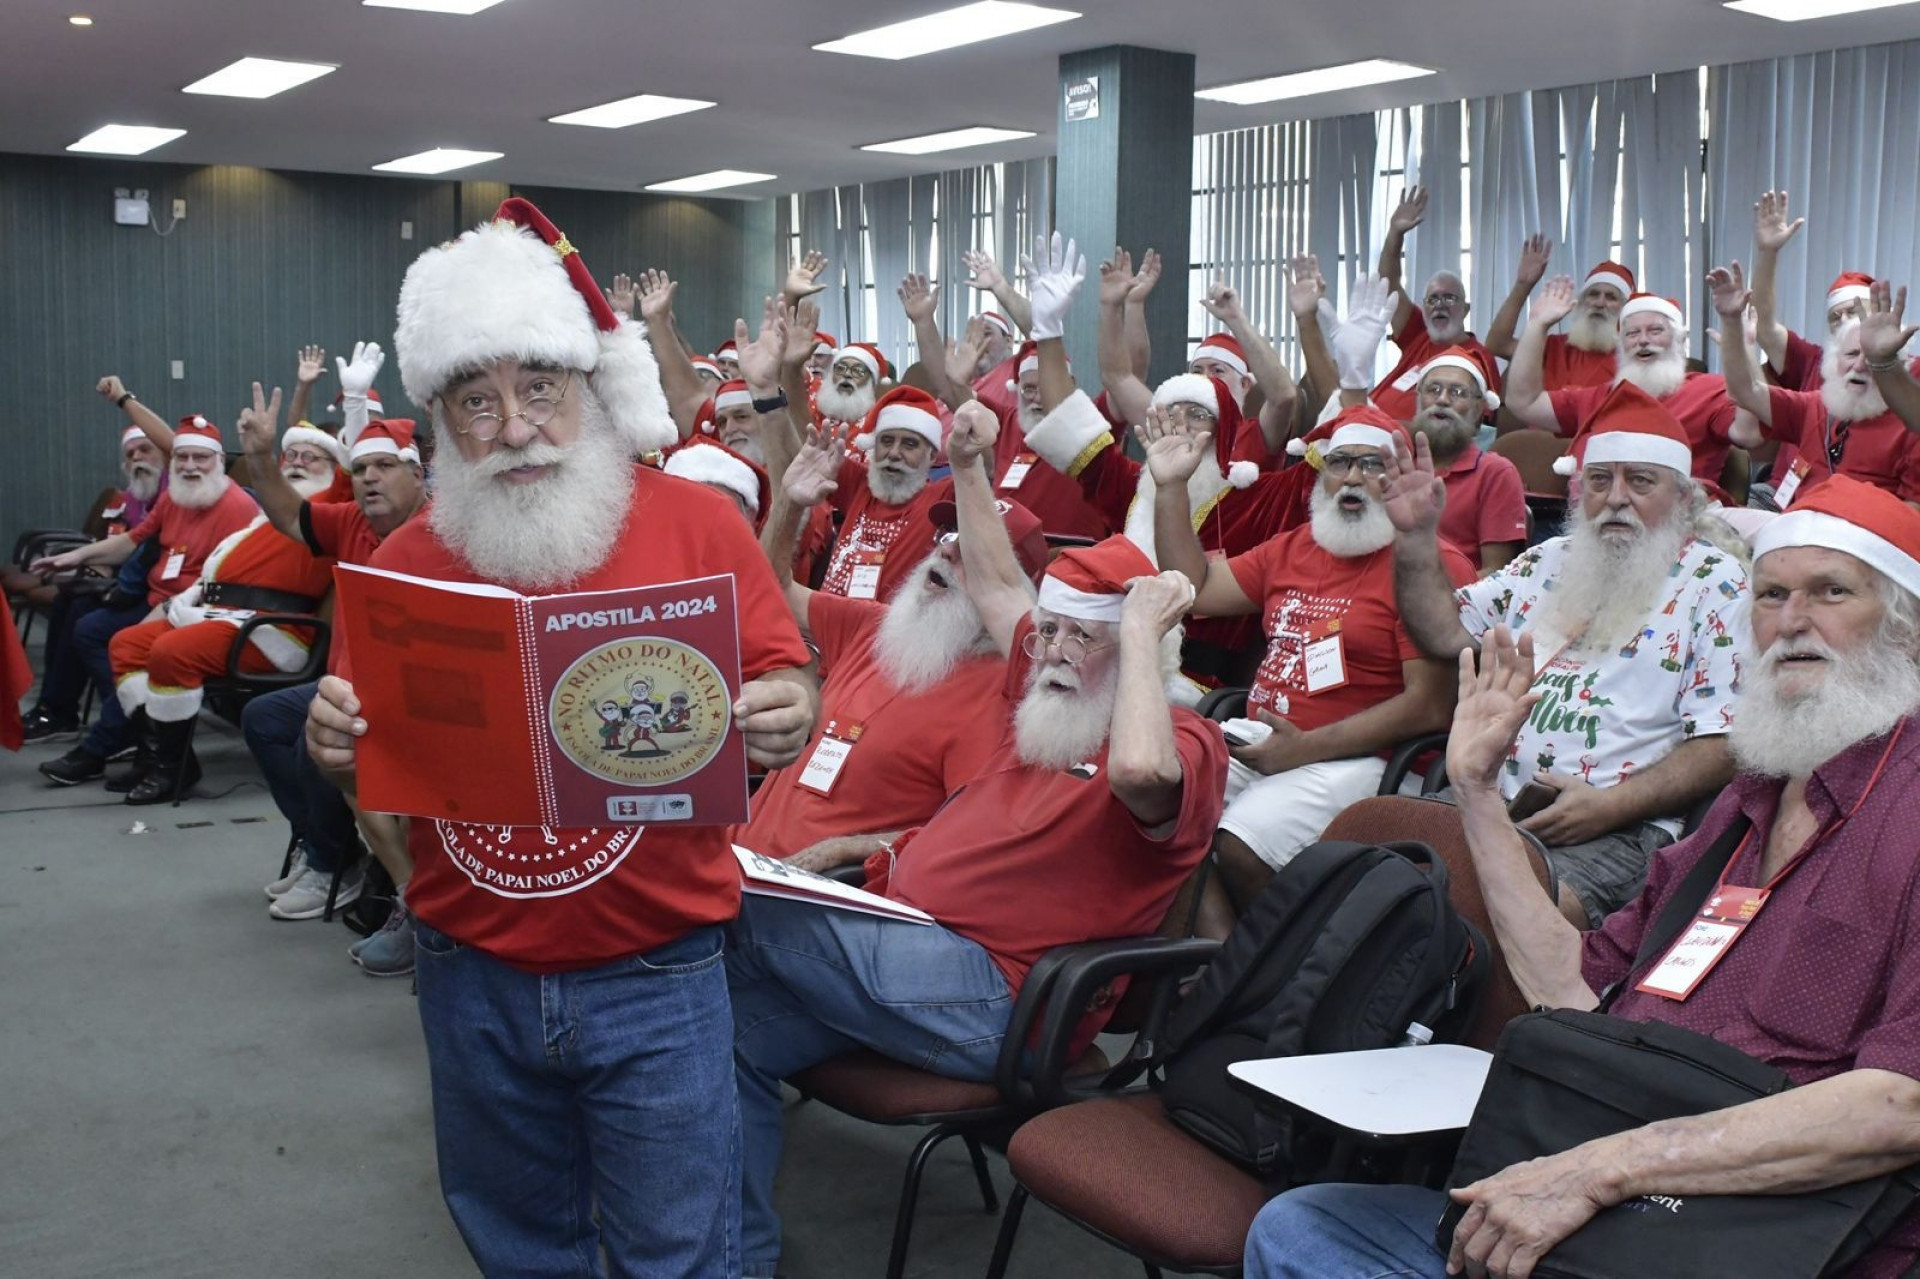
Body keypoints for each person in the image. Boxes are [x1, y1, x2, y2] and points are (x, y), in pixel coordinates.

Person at [303, 196, 816, 1277]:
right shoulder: (402, 564)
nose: (515, 426)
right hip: (467, 970)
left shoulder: (701, 525)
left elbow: (782, 677)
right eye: (475, 403)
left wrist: (784, 708)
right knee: (518, 1249)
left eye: (540, 388)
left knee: (680, 1253)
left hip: (662, 972)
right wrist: (332, 739)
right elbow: (363, 756)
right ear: (443, 422)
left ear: (592, 386)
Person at [1245, 474, 1920, 1279]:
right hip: (1613, 1194)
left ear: (1906, 628)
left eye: (1831, 592)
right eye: (1770, 594)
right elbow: (1573, 992)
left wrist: (1603, 1168)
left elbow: (1900, 1103)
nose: (1792, 621)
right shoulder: (1745, 806)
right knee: (1303, 1226)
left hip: (1767, 1232)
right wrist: (1478, 792)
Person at [728, 407, 1228, 1277]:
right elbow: (999, 587)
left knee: (724, 902)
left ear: (1139, 652)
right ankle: (725, 1254)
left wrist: (1145, 634)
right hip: (913, 953)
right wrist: (968, 462)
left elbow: (1140, 775)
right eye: (1053, 633)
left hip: (1001, 997)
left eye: (1086, 637)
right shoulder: (1043, 702)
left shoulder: (1182, 744)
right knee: (717, 1024)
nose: (1055, 651)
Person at [1387, 380, 1746, 928]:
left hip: (1615, 826)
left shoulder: (1716, 584)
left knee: (1484, 921)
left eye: (1640, 481)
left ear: (1683, 498)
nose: (1616, 497)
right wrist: (1414, 541)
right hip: (1489, 794)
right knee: (1364, 865)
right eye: (1599, 479)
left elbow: (1723, 743)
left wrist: (1611, 807)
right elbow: (1442, 634)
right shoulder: (1548, 561)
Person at [1150, 404, 1472, 916]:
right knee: (1153, 797)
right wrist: (1170, 488)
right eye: (1340, 462)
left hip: (1374, 759)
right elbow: (1200, 589)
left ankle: (1287, 979)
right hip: (1268, 742)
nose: (1351, 478)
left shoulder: (1428, 565)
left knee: (1240, 843)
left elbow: (1430, 707)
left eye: (1373, 466)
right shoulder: (1296, 546)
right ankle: (1213, 970)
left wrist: (1302, 751)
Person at [732, 417, 1050, 870]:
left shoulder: (1001, 695)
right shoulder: (879, 626)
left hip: (815, 900)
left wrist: (847, 850)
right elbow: (768, 589)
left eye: (968, 556)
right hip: (738, 862)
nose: (944, 552)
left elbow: (970, 827)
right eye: (946, 538)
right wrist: (791, 503)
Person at [238, 399, 428, 944]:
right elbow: (286, 515)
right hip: (345, 688)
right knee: (266, 717)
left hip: (409, 699)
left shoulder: (441, 532)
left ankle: (410, 898)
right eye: (361, 469)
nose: (369, 478)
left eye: (384, 467)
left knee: (340, 746)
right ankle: (335, 856)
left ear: (417, 474)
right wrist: (257, 457)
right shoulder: (350, 522)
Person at [105, 410, 340, 805]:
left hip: (271, 631)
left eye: (309, 457)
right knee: (126, 644)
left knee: (170, 652)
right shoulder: (272, 513)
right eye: (291, 456)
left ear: (332, 467)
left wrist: (350, 404)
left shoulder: (330, 510)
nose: (297, 463)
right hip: (220, 615)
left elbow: (351, 476)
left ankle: (169, 770)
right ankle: (164, 754)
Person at [34, 414, 259, 788]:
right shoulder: (175, 497)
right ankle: (141, 737)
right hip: (157, 599)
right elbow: (132, 541)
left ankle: (103, 746)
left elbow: (229, 583)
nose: (189, 466)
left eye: (200, 458)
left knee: (130, 647)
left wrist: (169, 610)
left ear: (218, 462)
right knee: (89, 628)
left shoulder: (237, 507)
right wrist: (75, 557)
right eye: (182, 458)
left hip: (197, 611)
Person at [1505, 280, 1745, 501]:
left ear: (1679, 341)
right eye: (1632, 333)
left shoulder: (1710, 389)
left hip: (1683, 524)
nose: (1642, 340)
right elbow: (1524, 402)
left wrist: (1741, 359)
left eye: (1655, 331)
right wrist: (1537, 326)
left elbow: (1748, 434)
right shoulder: (1598, 396)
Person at [1712, 260, 1920, 506]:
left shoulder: (1910, 422)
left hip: (1858, 534)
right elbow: (1745, 391)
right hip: (1792, 514)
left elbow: (1911, 513)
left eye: (1873, 357)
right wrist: (1731, 321)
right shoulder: (1815, 405)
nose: (1860, 365)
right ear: (1833, 361)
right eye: (1852, 354)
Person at [17, 416, 168, 742]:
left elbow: (146, 549)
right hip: (133, 583)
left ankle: (114, 721)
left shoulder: (174, 494)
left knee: (85, 616)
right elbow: (129, 543)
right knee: (68, 599)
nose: (138, 459)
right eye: (131, 455)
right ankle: (54, 706)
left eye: (146, 450)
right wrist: (80, 559)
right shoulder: (131, 498)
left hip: (163, 593)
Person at [1748, 189, 1920, 393]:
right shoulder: (1812, 363)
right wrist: (1768, 253)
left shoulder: (1911, 370)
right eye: (1835, 316)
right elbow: (1763, 325)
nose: (1844, 320)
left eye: (1854, 311)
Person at [1368, 186, 1503, 422]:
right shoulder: (1418, 335)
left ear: (1466, 309)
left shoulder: (1476, 356)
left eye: (1450, 298)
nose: (1439, 305)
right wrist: (1395, 235)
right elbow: (1387, 283)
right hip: (1369, 428)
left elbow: (1474, 426)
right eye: (1433, 299)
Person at [812, 385, 956, 601]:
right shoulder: (860, 484)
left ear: (932, 456)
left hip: (885, 632)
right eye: (886, 441)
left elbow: (978, 473)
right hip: (823, 625)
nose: (894, 453)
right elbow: (803, 442)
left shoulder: (942, 496)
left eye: (909, 444)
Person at [1409, 347, 1528, 571]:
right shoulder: (1397, 464)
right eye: (1433, 390)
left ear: (1478, 411)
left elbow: (1496, 575)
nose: (1442, 400)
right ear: (1418, 401)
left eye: (1458, 392)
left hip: (1458, 600)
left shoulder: (1495, 473)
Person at [1485, 240, 1634, 390]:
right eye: (1593, 294)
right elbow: (1498, 345)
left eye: (1611, 297)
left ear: (1625, 308)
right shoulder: (1557, 348)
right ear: (1581, 302)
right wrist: (1523, 285)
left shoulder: (1635, 354)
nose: (1599, 303)